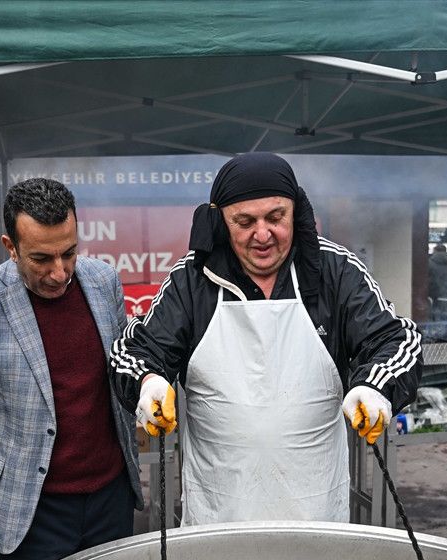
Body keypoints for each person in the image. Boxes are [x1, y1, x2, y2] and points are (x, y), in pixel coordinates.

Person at [110, 152, 421, 526]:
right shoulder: (192, 281)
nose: (262, 234)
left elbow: (396, 339)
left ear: (296, 212)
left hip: (315, 510)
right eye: (244, 221)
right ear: (220, 222)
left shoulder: (335, 272)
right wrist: (149, 382)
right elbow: (135, 349)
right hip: (218, 513)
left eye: (276, 217)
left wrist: (374, 387)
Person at [0, 178, 142, 560]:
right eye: (41, 258)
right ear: (10, 246)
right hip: (32, 509)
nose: (59, 272)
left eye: (69, 252)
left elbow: (122, 368)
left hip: (110, 495)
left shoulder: (104, 281)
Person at [427, 243, 447, 321]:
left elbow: (428, 280)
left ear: (435, 251)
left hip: (436, 298)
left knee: (437, 326)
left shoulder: (429, 263)